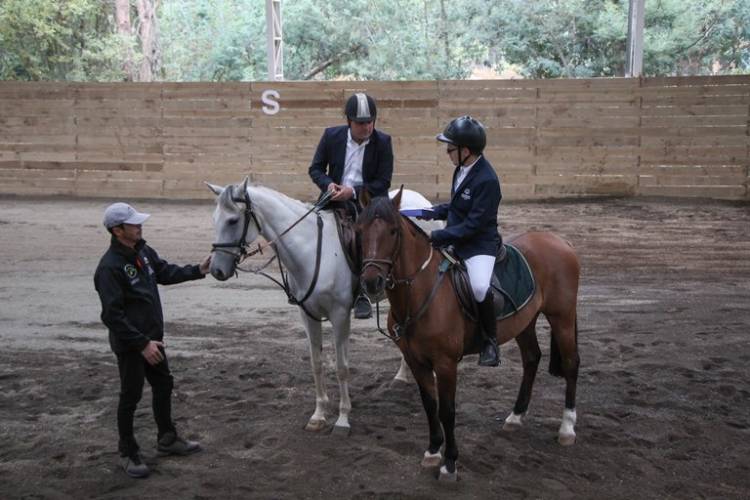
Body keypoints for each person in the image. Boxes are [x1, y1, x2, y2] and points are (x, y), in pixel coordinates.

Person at [94, 202, 211, 478]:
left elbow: (164, 272)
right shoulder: (109, 268)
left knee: (163, 384)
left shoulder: (143, 251)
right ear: (117, 230)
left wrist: (198, 270)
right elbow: (112, 316)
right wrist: (141, 344)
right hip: (133, 346)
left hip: (153, 340)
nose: (139, 226)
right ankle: (127, 451)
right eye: (133, 224)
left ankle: (167, 439)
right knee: (130, 396)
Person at [308, 93, 394, 319]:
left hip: (367, 201)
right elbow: (315, 169)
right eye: (360, 123)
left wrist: (353, 191)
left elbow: (383, 182)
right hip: (333, 197)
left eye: (370, 122)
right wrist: (329, 186)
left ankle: (362, 293)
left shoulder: (383, 142)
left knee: (360, 238)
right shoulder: (331, 136)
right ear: (349, 121)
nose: (366, 128)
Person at [427, 116, 502, 367]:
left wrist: (439, 235)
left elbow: (474, 225)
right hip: (458, 239)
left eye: (450, 148)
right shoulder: (461, 169)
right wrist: (431, 212)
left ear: (465, 151)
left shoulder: (487, 180)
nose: (447, 152)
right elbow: (458, 207)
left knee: (480, 287)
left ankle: (489, 340)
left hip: (479, 244)